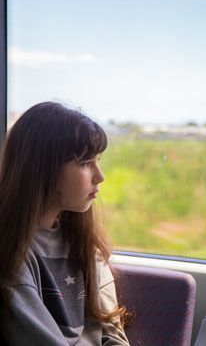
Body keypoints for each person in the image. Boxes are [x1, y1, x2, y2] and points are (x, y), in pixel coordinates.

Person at [0, 102, 130, 345]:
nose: (100, 176)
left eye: (98, 160)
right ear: (42, 169)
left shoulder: (85, 246)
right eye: (85, 163)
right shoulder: (10, 256)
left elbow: (113, 335)